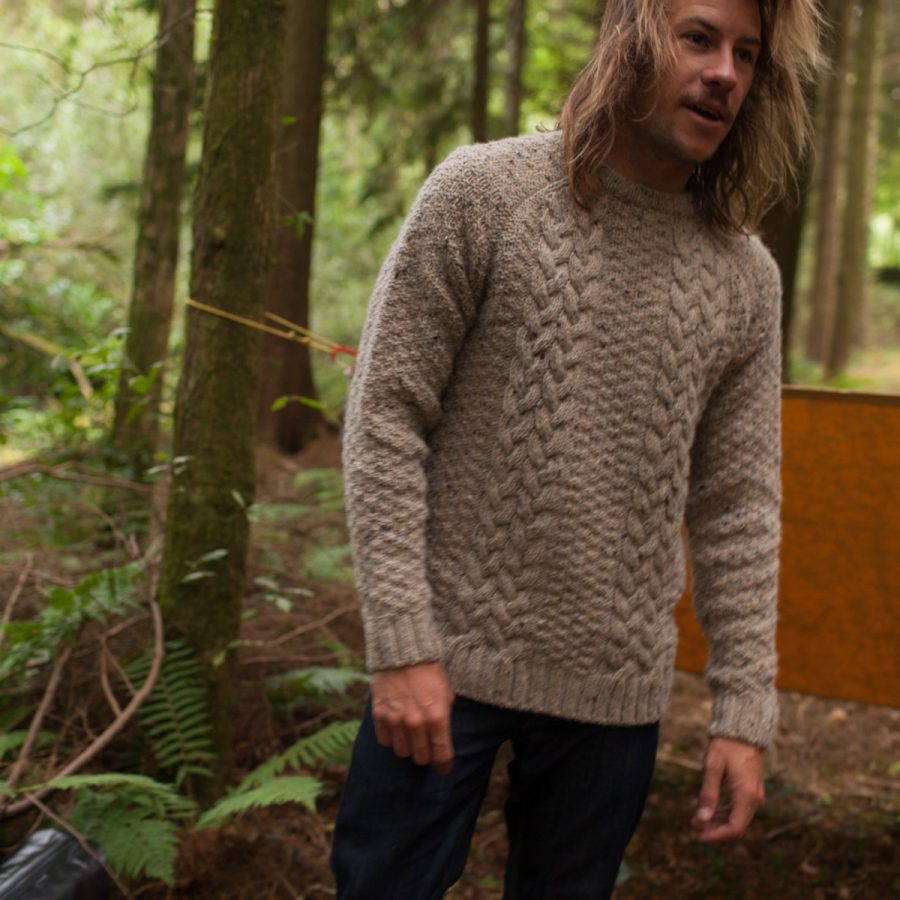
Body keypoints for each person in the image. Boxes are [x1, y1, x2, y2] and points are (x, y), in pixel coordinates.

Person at [332, 0, 821, 896]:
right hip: (442, 662)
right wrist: (401, 642)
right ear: (632, 37)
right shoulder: (482, 193)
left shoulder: (746, 279)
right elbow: (385, 415)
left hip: (613, 699)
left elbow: (739, 507)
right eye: (699, 38)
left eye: (747, 55)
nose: (724, 73)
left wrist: (744, 710)